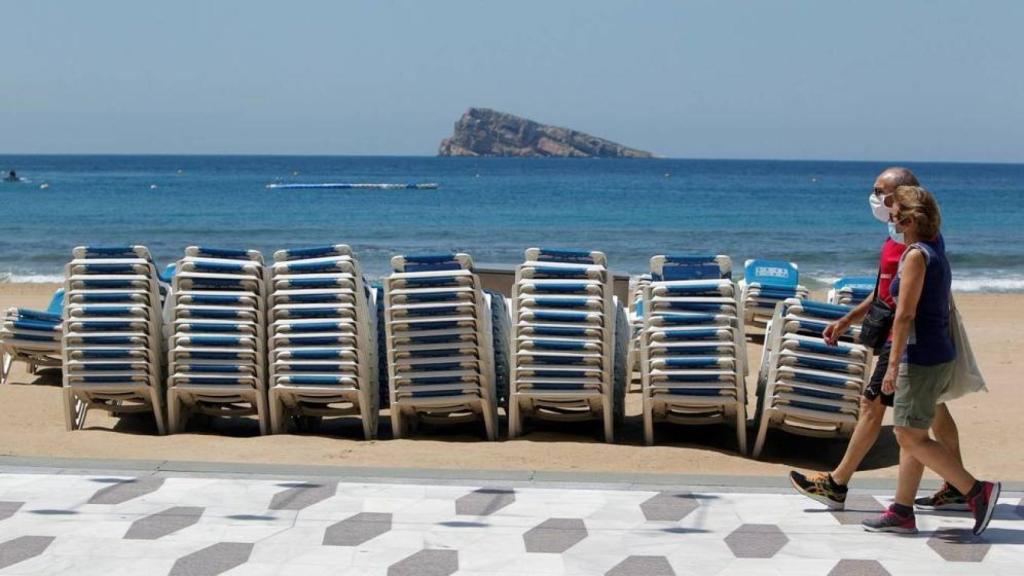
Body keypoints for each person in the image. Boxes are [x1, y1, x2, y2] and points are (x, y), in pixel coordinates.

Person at [789, 167, 969, 512]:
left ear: (904, 197)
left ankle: (837, 483)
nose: (874, 197)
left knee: (877, 410)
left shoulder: (914, 244)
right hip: (913, 343)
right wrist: (846, 319)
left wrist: (896, 353)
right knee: (929, 414)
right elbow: (883, 291)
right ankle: (953, 489)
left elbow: (905, 307)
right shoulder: (899, 239)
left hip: (906, 342)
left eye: (881, 191)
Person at [861, 185, 999, 535]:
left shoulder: (915, 257)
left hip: (919, 358)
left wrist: (892, 367)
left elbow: (904, 316)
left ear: (907, 220)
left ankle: (975, 490)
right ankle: (902, 511)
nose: (889, 219)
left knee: (908, 436)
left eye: (894, 214)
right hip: (935, 354)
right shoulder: (933, 249)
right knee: (915, 434)